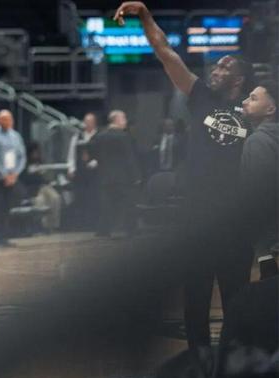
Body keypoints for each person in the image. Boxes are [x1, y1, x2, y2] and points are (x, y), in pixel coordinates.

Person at [115, 2, 254, 349]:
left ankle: (235, 364)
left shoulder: (252, 112)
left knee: (237, 300)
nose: (216, 70)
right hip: (197, 217)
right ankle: (198, 362)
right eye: (217, 65)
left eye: (224, 67)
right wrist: (145, 15)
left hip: (237, 221)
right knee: (195, 300)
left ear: (238, 80)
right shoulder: (201, 96)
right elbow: (166, 52)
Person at [240, 81, 279, 259]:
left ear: (270, 109)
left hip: (271, 242)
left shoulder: (258, 140)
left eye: (253, 98)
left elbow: (260, 195)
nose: (244, 102)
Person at [88, 110, 141, 237]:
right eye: (124, 118)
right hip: (123, 176)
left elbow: (91, 150)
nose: (125, 121)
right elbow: (129, 158)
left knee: (107, 204)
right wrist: (136, 176)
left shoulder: (99, 136)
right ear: (116, 120)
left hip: (105, 176)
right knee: (129, 203)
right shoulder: (124, 136)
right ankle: (131, 229)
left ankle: (103, 230)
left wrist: (99, 161)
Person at [0, 109, 27, 247]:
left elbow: (22, 156)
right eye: (4, 119)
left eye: (9, 119)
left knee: (7, 208)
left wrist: (15, 174)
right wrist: (4, 174)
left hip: (11, 178)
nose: (6, 121)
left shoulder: (16, 136)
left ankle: (4, 237)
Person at [67, 112, 99, 229]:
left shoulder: (99, 136)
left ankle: (93, 223)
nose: (87, 124)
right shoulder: (77, 137)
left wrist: (94, 162)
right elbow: (71, 154)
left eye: (90, 122)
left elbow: (103, 153)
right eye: (86, 122)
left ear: (94, 123)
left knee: (93, 197)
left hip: (95, 172)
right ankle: (81, 224)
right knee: (80, 197)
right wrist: (71, 168)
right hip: (80, 172)